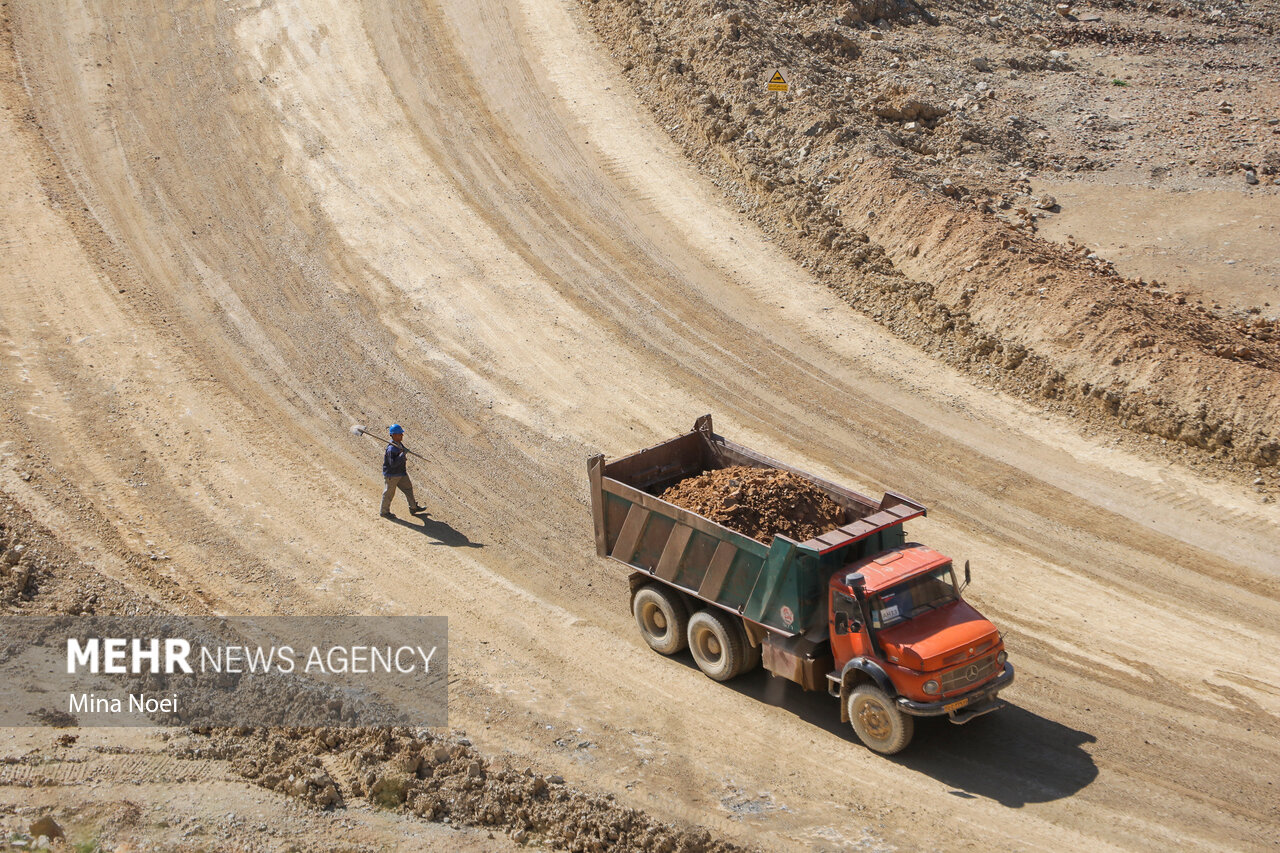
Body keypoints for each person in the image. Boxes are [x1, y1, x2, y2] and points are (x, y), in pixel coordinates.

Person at [380, 424, 425, 518]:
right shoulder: (391, 449)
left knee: (408, 488)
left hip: (401, 473)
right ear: (393, 435)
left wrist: (403, 452)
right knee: (389, 493)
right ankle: (384, 512)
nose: (402, 435)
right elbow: (393, 464)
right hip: (392, 475)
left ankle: (413, 507)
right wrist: (402, 455)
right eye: (400, 434)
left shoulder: (399, 444)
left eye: (401, 433)